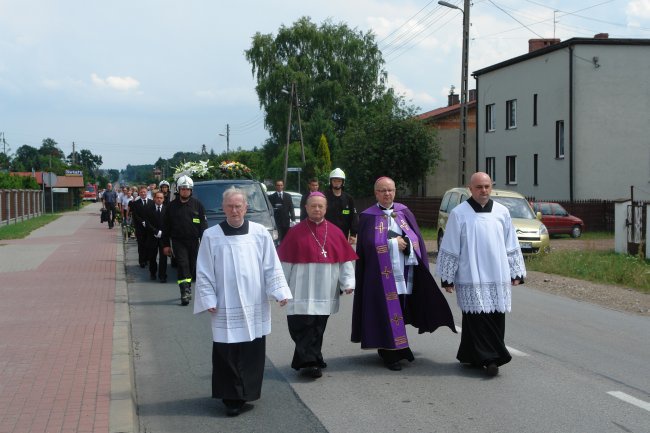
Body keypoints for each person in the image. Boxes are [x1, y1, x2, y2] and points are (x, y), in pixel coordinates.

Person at [193, 187, 292, 417]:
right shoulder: (211, 235)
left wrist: (280, 291)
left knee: (251, 349)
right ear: (223, 208)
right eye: (230, 206)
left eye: (239, 206)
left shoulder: (259, 233)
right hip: (225, 303)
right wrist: (208, 297)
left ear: (246, 207)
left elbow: (271, 265)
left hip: (253, 300)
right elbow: (204, 270)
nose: (234, 210)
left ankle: (247, 392)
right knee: (226, 350)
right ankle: (230, 397)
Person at [351, 176, 456, 371]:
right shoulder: (368, 216)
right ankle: (390, 351)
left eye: (390, 190)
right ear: (376, 193)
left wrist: (407, 243)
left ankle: (400, 345)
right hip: (379, 277)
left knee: (399, 309)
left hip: (403, 271)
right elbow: (365, 246)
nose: (387, 194)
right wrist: (392, 243)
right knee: (385, 311)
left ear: (395, 191)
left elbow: (417, 239)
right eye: (382, 190)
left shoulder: (403, 212)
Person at [436, 172, 525, 377]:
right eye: (479, 187)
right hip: (471, 273)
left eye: (487, 186)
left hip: (497, 273)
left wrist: (516, 271)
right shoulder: (459, 213)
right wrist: (448, 277)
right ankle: (491, 358)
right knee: (477, 318)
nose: (483, 190)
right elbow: (450, 245)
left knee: (494, 315)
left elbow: (511, 242)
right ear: (470, 188)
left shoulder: (502, 212)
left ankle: (470, 355)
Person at [277, 192, 358, 378]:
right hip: (300, 289)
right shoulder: (295, 232)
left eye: (320, 206)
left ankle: (311, 360)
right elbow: (284, 265)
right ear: (305, 208)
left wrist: (348, 282)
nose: (317, 209)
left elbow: (344, 262)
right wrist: (281, 289)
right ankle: (311, 359)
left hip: (325, 289)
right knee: (300, 325)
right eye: (313, 206)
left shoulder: (336, 232)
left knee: (318, 326)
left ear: (326, 208)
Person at [162, 175, 207, 306]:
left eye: (187, 189)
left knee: (192, 266)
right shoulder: (171, 207)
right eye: (182, 189)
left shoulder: (198, 205)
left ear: (191, 190)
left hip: (194, 241)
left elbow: (203, 225)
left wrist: (205, 242)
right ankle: (184, 291)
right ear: (178, 190)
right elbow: (166, 227)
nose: (185, 191)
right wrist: (165, 245)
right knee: (183, 264)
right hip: (178, 241)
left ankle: (188, 286)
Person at [324, 168, 358, 245]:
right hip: (326, 235)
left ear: (343, 182)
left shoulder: (349, 199)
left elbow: (353, 216)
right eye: (334, 181)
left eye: (339, 181)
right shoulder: (324, 197)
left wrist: (353, 234)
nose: (336, 183)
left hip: (343, 236)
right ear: (330, 182)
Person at [144, 191, 168, 283]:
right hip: (152, 236)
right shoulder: (149, 209)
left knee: (163, 257)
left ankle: (162, 275)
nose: (159, 199)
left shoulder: (166, 210)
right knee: (152, 257)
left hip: (163, 237)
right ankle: (153, 273)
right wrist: (155, 231)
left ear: (163, 199)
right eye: (157, 197)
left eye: (161, 198)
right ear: (154, 198)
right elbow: (147, 223)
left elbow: (169, 224)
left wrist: (163, 232)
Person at [131, 186, 152, 269]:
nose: (143, 193)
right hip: (140, 227)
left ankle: (147, 259)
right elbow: (135, 215)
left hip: (149, 227)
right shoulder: (136, 203)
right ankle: (142, 261)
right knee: (141, 245)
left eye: (144, 192)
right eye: (142, 192)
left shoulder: (151, 202)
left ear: (147, 192)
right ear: (139, 193)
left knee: (149, 244)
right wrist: (142, 222)